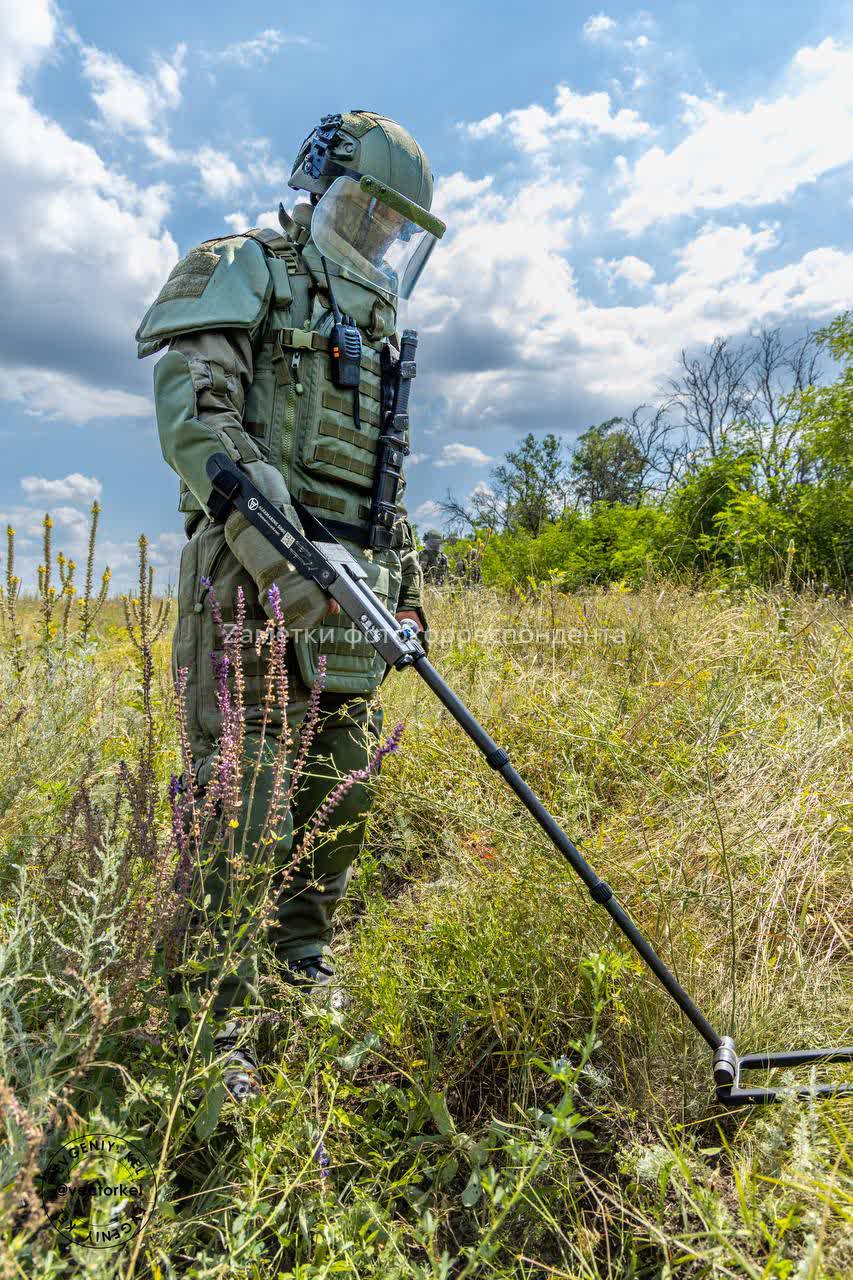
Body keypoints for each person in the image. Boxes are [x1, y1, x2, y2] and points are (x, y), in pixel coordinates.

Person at [138, 111, 440, 1099]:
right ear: (317, 187)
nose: (374, 239)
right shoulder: (245, 266)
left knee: (337, 793)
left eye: (394, 227)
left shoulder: (384, 321)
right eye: (362, 212)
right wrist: (287, 553)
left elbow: (381, 475)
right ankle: (215, 1014)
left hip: (353, 600)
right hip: (248, 579)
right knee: (242, 797)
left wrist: (404, 588)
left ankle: (299, 966)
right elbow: (198, 417)